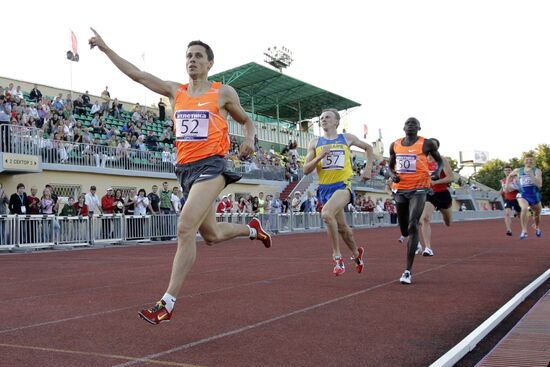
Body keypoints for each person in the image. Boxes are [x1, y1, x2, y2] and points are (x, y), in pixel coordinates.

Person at [89, 29, 271, 325]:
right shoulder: (177, 91)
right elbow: (137, 75)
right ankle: (253, 230)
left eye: (198, 56)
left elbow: (247, 120)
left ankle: (167, 303)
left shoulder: (222, 92)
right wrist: (107, 48)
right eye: (188, 55)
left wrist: (250, 137)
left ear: (210, 63)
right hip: (185, 170)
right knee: (210, 235)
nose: (192, 60)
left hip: (212, 165)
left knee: (185, 227)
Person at [303, 108, 374, 276]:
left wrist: (368, 169)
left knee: (326, 214)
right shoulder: (315, 142)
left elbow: (369, 148)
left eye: (327, 117)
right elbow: (306, 169)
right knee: (344, 230)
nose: (323, 120)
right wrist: (319, 157)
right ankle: (357, 254)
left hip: (343, 186)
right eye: (321, 118)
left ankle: (337, 257)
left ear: (336, 122)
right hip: (324, 189)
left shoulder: (346, 138)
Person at [387, 117, 443, 284]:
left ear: (419, 127)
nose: (410, 125)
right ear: (403, 127)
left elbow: (439, 161)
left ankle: (407, 271)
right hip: (401, 189)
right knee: (404, 228)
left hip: (419, 188)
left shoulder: (427, 144)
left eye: (414, 123)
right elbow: (390, 165)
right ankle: (413, 241)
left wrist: (437, 172)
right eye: (408, 123)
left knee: (413, 224)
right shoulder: (395, 144)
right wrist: (392, 175)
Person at [419, 138, 454, 257]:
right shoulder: (421, 160)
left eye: (432, 146)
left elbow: (451, 178)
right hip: (429, 194)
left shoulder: (442, 160)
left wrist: (436, 182)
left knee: (448, 222)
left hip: (443, 194)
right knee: (425, 218)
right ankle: (428, 248)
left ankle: (446, 216)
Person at [508, 154, 543, 239]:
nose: (529, 161)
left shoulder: (537, 171)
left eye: (531, 160)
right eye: (527, 160)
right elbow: (509, 176)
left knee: (537, 214)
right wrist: (508, 184)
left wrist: (531, 175)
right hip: (523, 194)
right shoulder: (518, 170)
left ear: (533, 161)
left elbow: (539, 185)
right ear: (524, 161)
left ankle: (537, 227)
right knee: (524, 208)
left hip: (534, 195)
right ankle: (524, 231)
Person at [500, 166, 521, 236]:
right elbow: (505, 190)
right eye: (506, 170)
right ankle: (509, 230)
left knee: (520, 215)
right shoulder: (503, 180)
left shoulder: (516, 179)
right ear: (504, 172)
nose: (507, 172)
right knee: (507, 214)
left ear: (511, 171)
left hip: (516, 199)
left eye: (509, 170)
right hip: (508, 199)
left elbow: (518, 188)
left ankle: (523, 223)